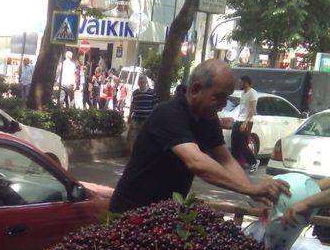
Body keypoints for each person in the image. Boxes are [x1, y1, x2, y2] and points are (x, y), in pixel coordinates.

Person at [109, 59, 290, 213]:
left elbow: (225, 160)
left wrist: (251, 191)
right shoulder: (168, 114)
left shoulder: (207, 118)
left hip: (165, 214)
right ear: (196, 89)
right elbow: (196, 162)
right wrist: (249, 188)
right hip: (130, 212)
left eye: (226, 98)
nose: (223, 104)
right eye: (218, 97)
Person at [233, 74, 258, 172]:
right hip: (238, 119)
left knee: (243, 144)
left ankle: (254, 162)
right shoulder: (243, 93)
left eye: (241, 82)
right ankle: (233, 165)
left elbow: (252, 109)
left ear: (246, 83)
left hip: (246, 121)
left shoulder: (253, 93)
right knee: (235, 143)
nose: (240, 83)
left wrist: (245, 122)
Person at [127, 75, 156, 153]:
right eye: (140, 82)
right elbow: (132, 105)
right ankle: (132, 154)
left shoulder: (152, 93)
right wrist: (130, 115)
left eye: (143, 82)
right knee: (132, 137)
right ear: (138, 83)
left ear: (146, 82)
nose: (141, 83)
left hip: (146, 119)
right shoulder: (135, 93)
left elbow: (155, 106)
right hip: (136, 118)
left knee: (145, 138)